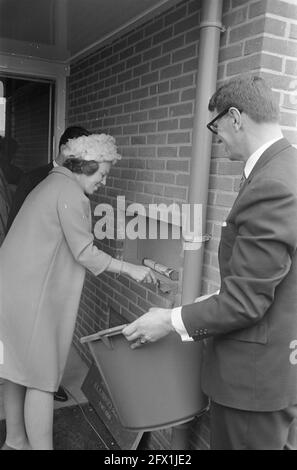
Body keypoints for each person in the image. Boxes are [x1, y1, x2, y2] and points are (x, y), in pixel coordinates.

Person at [123, 75, 297, 450]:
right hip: (279, 371)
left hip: (253, 383)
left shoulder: (271, 184)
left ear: (235, 117)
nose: (215, 139)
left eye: (214, 126)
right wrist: (215, 296)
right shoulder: (288, 168)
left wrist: (169, 321)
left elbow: (247, 301)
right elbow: (278, 276)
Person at [0, 133, 156, 450]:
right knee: (42, 380)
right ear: (86, 165)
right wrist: (132, 269)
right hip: (33, 301)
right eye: (103, 173)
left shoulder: (47, 184)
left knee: (14, 370)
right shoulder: (70, 193)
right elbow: (85, 252)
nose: (104, 181)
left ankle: (16, 441)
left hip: (11, 294)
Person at [6, 126, 92, 403]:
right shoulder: (35, 178)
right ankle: (40, 385)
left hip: (58, 274)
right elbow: (15, 226)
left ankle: (42, 383)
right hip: (31, 276)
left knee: (49, 338)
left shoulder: (78, 181)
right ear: (67, 147)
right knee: (29, 348)